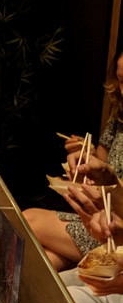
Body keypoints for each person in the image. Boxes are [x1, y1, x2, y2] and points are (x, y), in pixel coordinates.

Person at [24, 50, 123, 270]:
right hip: (97, 216)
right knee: (47, 260)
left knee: (28, 220)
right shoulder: (118, 119)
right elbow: (103, 163)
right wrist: (87, 153)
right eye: (121, 81)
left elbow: (111, 178)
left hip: (115, 229)